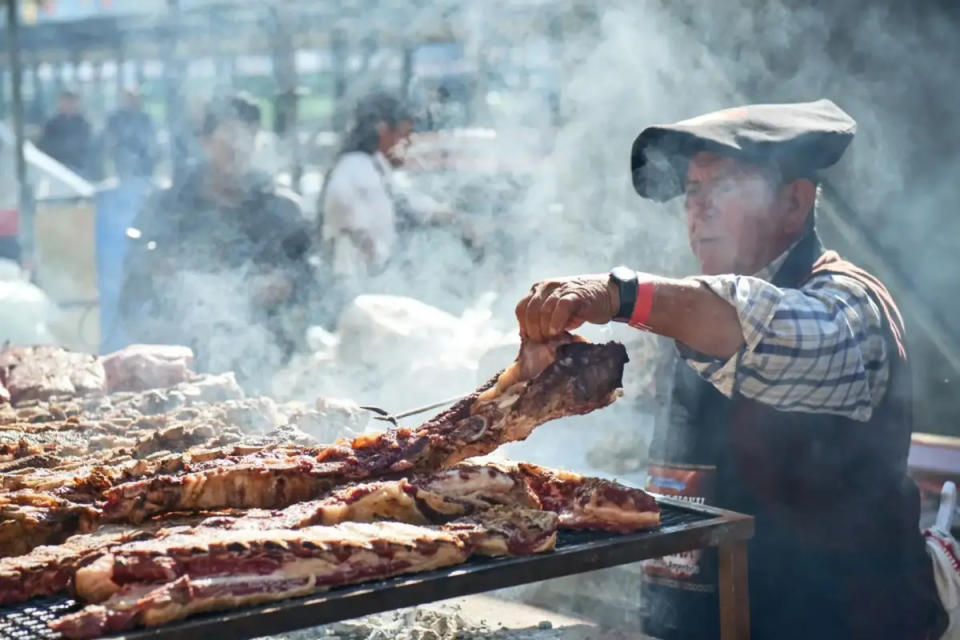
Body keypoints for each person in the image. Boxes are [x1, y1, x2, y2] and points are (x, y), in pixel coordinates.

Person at [514, 100, 946, 639]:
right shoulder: (693, 315)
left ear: (794, 203)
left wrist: (619, 294)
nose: (699, 209)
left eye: (724, 187)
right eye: (692, 190)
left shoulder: (847, 305)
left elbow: (762, 323)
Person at [117, 93, 312, 391]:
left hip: (266, 364)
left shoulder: (283, 210)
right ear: (205, 140)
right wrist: (160, 272)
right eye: (230, 133)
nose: (239, 144)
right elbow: (134, 275)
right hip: (181, 368)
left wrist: (286, 283)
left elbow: (311, 276)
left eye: (249, 134)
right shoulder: (168, 206)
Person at [102, 87, 158, 180]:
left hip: (144, 163)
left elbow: (151, 139)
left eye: (135, 98)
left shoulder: (145, 118)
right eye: (129, 98)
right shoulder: (114, 118)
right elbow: (110, 139)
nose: (132, 101)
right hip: (122, 161)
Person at [38, 90, 94, 178]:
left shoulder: (83, 123)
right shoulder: (51, 123)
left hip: (77, 167)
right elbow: (44, 145)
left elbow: (87, 147)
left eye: (71, 101)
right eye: (65, 101)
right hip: (56, 168)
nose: (68, 104)